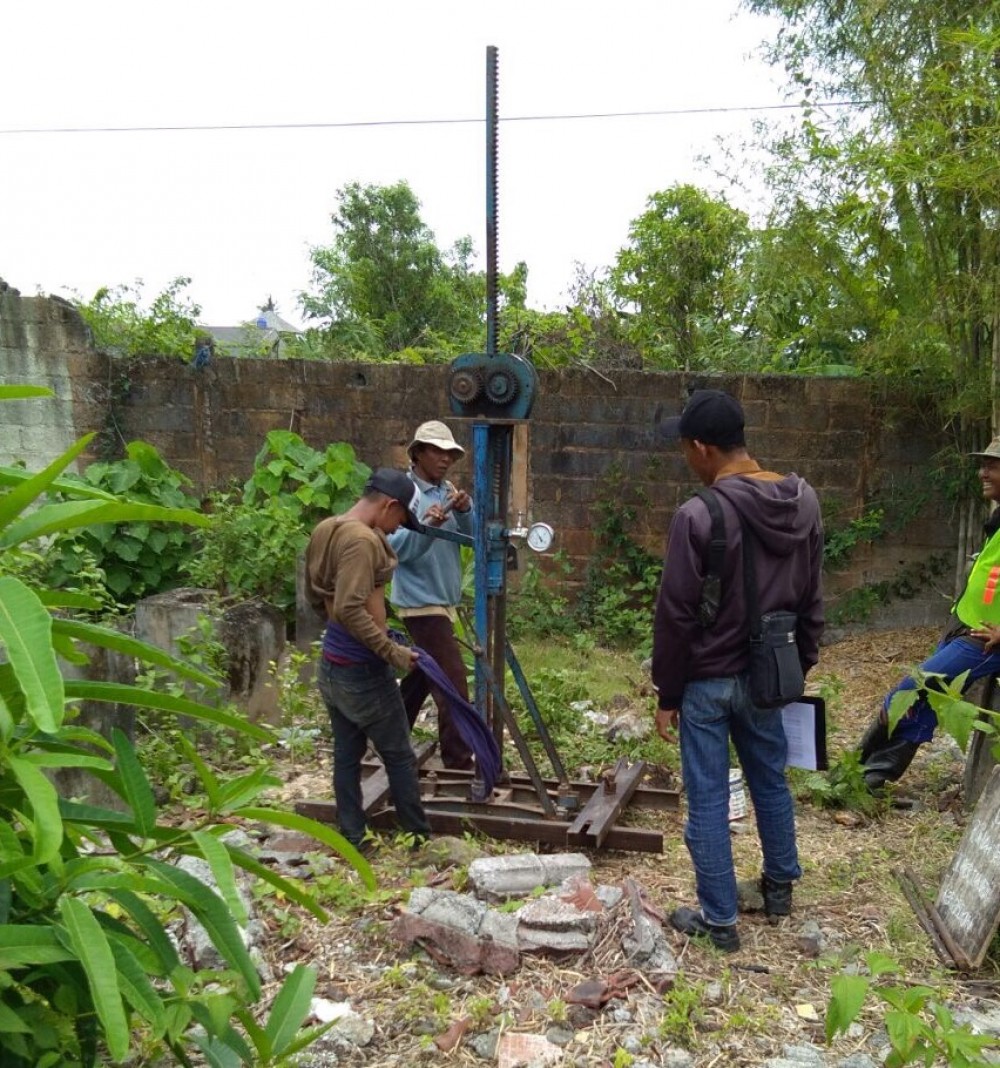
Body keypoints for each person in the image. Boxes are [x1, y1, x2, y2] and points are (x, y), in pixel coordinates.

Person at [652, 389, 824, 952]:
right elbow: (812, 596)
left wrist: (667, 692)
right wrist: (801, 663)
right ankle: (779, 888)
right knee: (770, 779)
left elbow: (676, 612)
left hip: (706, 682)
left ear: (702, 448)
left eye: (685, 449)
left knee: (706, 797)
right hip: (770, 672)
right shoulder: (804, 503)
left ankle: (719, 919)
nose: (687, 459)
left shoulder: (698, 514)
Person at [857, 438, 1000, 793]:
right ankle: (869, 778)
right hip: (964, 625)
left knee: (911, 688)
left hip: (984, 641)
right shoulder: (997, 518)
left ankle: (860, 767)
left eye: (992, 465)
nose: (982, 472)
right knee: (926, 702)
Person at [305, 467, 432, 851]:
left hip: (333, 664)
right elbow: (349, 607)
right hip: (362, 671)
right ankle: (418, 837)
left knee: (347, 754)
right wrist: (390, 651)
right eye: (400, 519)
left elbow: (320, 599)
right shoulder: (362, 541)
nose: (397, 528)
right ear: (389, 504)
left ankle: (352, 835)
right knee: (398, 754)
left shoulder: (328, 527)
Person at [389, 421, 476, 770]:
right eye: (437, 452)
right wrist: (427, 527)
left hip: (443, 601)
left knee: (422, 678)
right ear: (417, 453)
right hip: (421, 604)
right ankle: (458, 760)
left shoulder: (447, 490)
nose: (444, 460)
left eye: (449, 454)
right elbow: (398, 550)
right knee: (452, 684)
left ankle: (385, 737)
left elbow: (472, 539)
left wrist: (466, 510)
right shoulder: (404, 495)